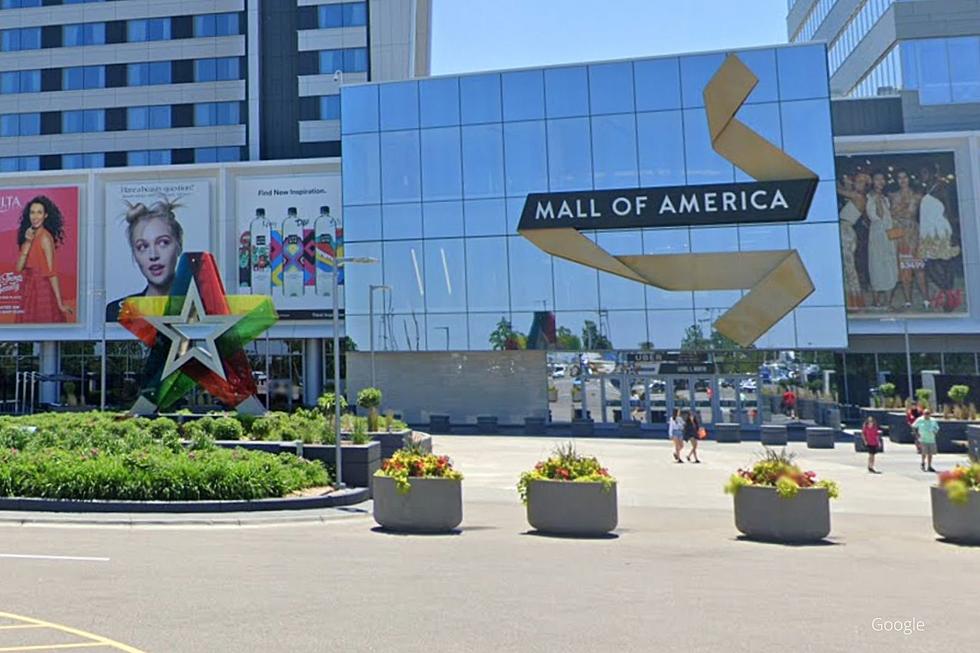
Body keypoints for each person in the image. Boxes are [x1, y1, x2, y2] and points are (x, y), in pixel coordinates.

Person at [105, 198, 184, 321]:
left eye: (163, 243)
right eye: (142, 246)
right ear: (134, 254)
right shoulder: (117, 312)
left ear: (179, 245)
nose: (153, 255)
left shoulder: (203, 310)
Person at [14, 195, 74, 323]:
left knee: (44, 322)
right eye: (32, 212)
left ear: (45, 215)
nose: (35, 217)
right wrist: (28, 243)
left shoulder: (45, 238)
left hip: (43, 287)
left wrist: (60, 303)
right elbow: (19, 268)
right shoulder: (29, 235)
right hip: (28, 286)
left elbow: (52, 273)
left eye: (39, 212)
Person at [888, 170, 927, 308]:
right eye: (899, 178)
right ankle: (908, 300)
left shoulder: (918, 196)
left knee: (919, 268)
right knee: (904, 269)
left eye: (905, 177)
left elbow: (920, 214)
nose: (902, 180)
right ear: (896, 180)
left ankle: (926, 299)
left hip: (914, 234)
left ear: (909, 179)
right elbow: (890, 215)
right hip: (899, 235)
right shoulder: (892, 196)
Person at [837, 172, 869, 309]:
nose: (858, 183)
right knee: (847, 267)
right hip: (846, 229)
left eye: (861, 182)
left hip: (846, 230)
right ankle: (852, 301)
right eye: (857, 181)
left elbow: (839, 190)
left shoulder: (858, 196)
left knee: (849, 268)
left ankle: (855, 303)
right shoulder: (856, 195)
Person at [867, 171, 898, 308]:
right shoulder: (870, 197)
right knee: (877, 265)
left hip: (889, 235)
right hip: (877, 235)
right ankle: (876, 301)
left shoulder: (885, 198)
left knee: (891, 265)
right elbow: (877, 216)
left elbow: (889, 217)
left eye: (882, 179)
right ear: (872, 182)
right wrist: (877, 199)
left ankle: (888, 302)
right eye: (877, 179)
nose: (880, 182)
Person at [911, 408, 940, 473]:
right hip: (923, 439)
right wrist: (916, 435)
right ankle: (923, 462)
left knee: (930, 453)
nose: (926, 415)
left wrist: (935, 432)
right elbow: (913, 426)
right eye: (925, 414)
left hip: (931, 439)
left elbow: (937, 428)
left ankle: (929, 466)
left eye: (928, 414)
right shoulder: (920, 420)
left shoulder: (933, 420)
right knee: (924, 452)